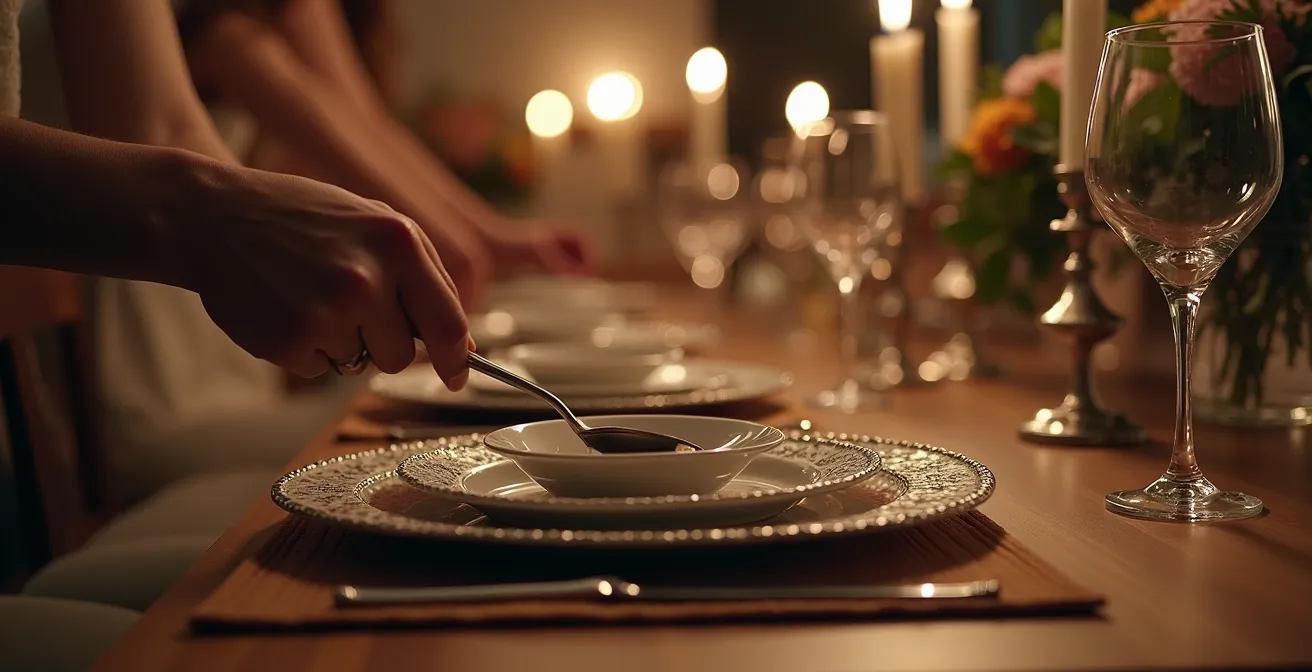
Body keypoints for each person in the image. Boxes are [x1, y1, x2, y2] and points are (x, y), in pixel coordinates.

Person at [0, 1, 473, 667]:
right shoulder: (226, 27)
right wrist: (214, 216)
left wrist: (471, 240)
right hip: (153, 374)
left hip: (213, 346)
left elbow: (169, 124)